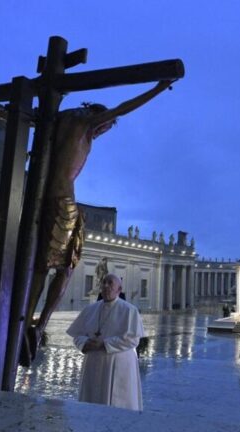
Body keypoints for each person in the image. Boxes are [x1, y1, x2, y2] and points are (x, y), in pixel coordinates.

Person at [20, 80, 173, 367]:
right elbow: (124, 107)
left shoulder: (58, 119)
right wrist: (160, 87)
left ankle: (25, 319)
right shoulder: (85, 122)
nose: (103, 132)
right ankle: (39, 326)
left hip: (39, 196)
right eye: (106, 127)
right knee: (65, 268)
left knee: (41, 264)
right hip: (63, 200)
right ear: (100, 118)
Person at [67, 274, 144, 410]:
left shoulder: (129, 310)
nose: (106, 286)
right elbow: (77, 334)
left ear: (119, 289)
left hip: (118, 364)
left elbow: (133, 339)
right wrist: (85, 343)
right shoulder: (90, 309)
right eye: (104, 282)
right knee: (91, 402)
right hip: (92, 363)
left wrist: (104, 343)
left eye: (110, 283)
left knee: (117, 404)